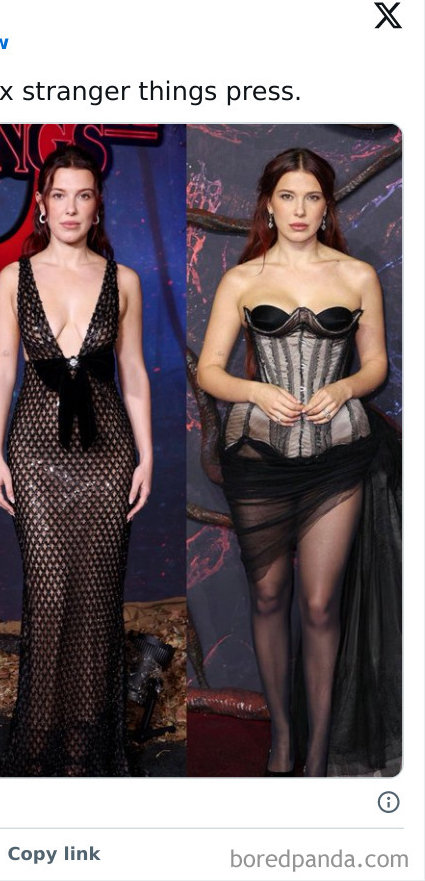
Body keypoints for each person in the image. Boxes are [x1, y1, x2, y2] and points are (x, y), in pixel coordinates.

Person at [196, 148, 401, 777]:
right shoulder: (243, 279)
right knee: (267, 596)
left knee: (319, 604)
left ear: (326, 205)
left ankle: (317, 753)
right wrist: (255, 389)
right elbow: (209, 370)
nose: (300, 210)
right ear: (268, 203)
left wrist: (345, 387)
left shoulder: (357, 274)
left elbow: (376, 366)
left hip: (337, 454)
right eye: (289, 196)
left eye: (312, 197)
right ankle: (283, 735)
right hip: (259, 454)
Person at [0, 144, 153, 775]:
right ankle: (36, 743)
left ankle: (85, 747)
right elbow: (3, 367)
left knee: (96, 597)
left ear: (97, 203)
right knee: (50, 595)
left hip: (108, 449)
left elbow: (133, 373)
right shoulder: (14, 276)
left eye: (83, 195)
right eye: (60, 194)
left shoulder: (123, 279)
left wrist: (146, 456)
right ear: (41, 201)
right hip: (32, 445)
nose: (71, 207)